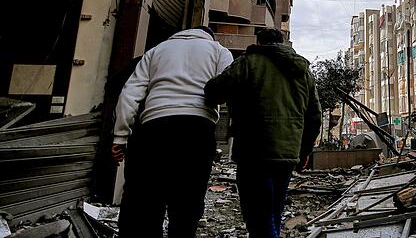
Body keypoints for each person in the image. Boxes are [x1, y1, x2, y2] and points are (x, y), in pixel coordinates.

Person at [112, 26, 233, 238]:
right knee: (187, 204)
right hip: (197, 130)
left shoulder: (156, 51)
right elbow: (230, 85)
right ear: (209, 36)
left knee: (146, 203)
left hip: (153, 129)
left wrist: (120, 136)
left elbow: (129, 95)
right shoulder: (219, 51)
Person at [204, 28, 321, 238]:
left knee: (259, 218)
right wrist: (304, 152)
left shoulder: (248, 62)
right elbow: (314, 117)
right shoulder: (303, 71)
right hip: (287, 153)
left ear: (259, 43)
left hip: (254, 151)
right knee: (274, 212)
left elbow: (214, 91)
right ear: (283, 43)